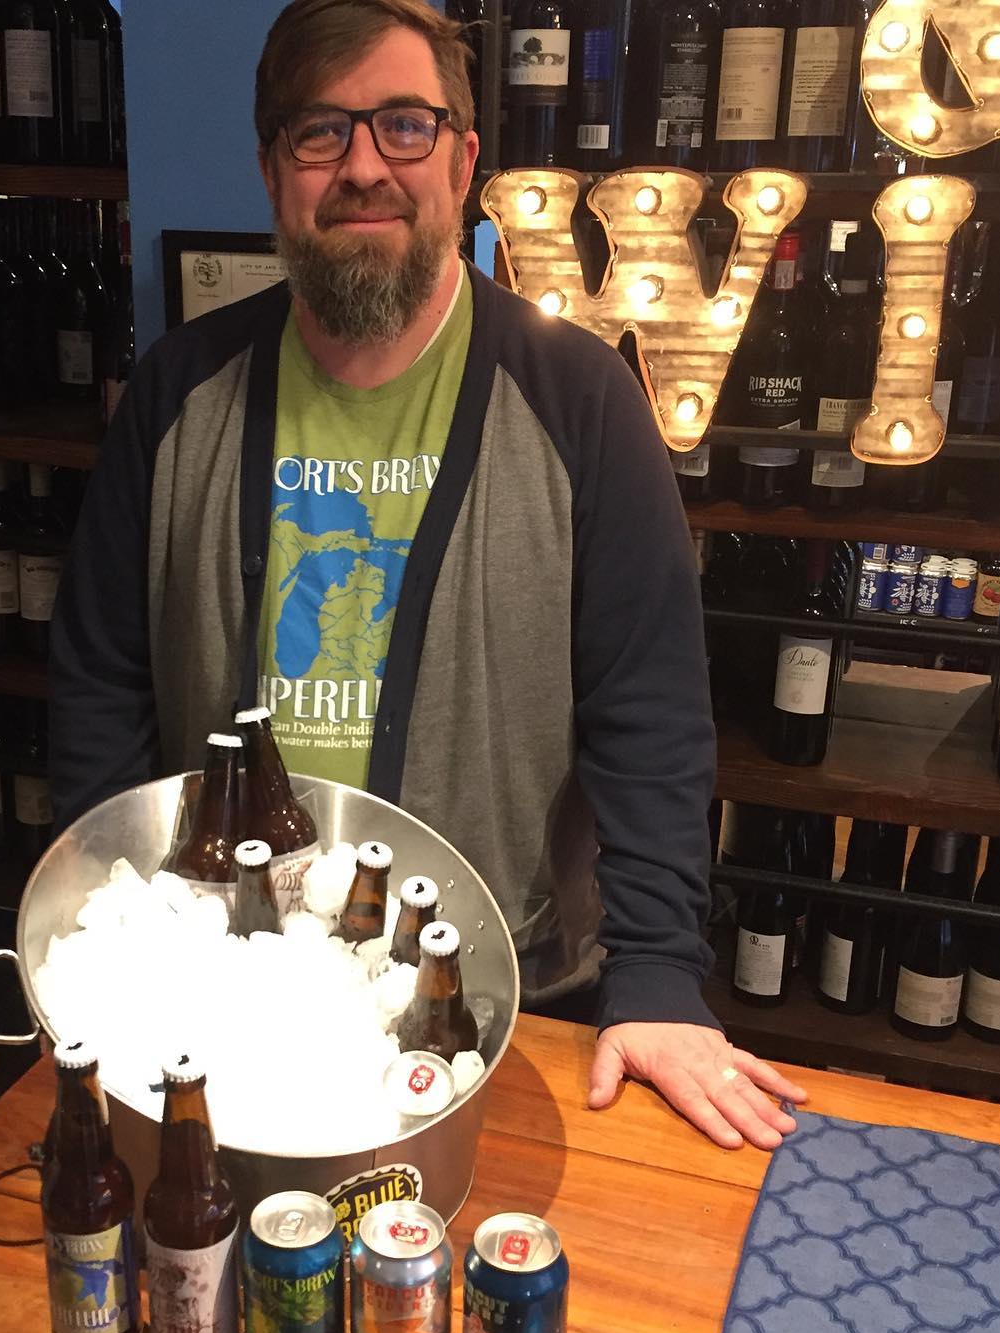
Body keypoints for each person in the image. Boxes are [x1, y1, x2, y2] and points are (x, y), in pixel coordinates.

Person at [50, 0, 807, 1150]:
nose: (364, 167)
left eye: (405, 125)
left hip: (499, 1000)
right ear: (272, 170)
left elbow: (649, 713)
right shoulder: (177, 393)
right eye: (321, 131)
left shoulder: (581, 401)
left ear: (463, 161)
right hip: (228, 994)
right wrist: (114, 930)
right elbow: (100, 683)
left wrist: (657, 973)